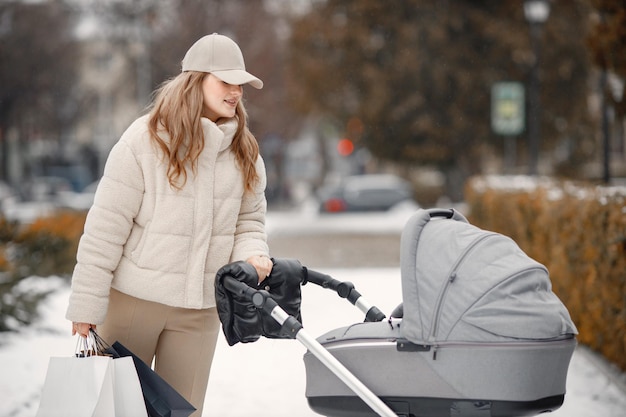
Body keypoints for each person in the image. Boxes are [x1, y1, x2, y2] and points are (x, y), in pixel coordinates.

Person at [66, 33, 273, 416]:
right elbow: (105, 229)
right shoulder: (144, 141)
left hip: (199, 312)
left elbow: (248, 221)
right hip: (132, 304)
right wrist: (86, 305)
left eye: (240, 83)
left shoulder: (245, 150)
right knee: (116, 411)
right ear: (195, 80)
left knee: (185, 413)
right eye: (226, 81)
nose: (236, 92)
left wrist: (254, 254)